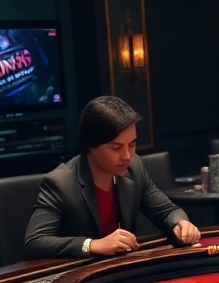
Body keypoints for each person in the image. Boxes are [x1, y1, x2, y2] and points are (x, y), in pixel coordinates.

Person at [25, 97, 200, 259]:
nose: (127, 156)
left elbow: (167, 211)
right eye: (116, 148)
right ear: (90, 146)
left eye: (132, 144)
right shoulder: (60, 182)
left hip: (120, 270)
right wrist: (92, 245)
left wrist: (180, 224)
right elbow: (35, 243)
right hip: (75, 277)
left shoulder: (134, 167)